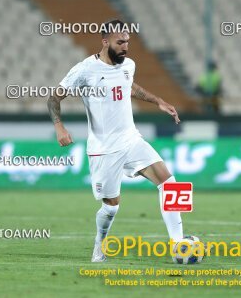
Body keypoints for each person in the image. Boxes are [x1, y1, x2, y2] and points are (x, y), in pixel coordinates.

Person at [47, 19, 184, 261]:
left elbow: (129, 85)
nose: (125, 47)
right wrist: (59, 126)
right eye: (120, 42)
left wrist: (159, 101)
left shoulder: (128, 65)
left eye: (127, 42)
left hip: (131, 140)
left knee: (170, 183)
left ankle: (178, 245)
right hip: (104, 149)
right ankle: (99, 245)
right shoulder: (85, 70)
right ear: (105, 41)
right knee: (111, 206)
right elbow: (53, 98)